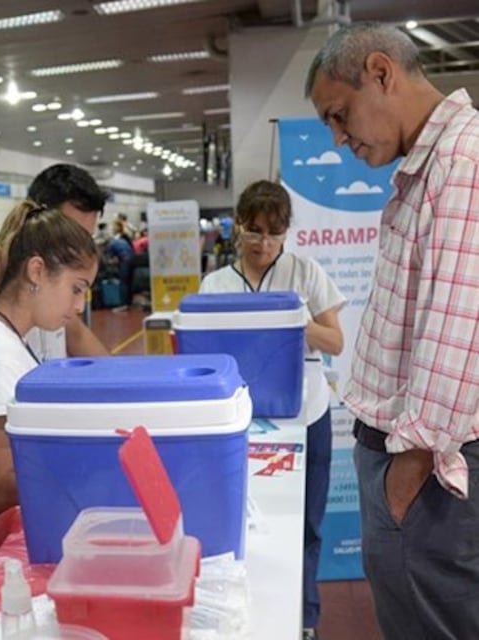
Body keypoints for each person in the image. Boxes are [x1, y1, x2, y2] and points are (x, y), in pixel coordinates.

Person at [306, 22, 479, 640]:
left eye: (339, 113)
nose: (336, 137)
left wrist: (403, 486)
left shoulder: (462, 162)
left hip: (425, 472)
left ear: (381, 73)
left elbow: (458, 336)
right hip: (408, 464)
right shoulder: (427, 167)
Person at [200, 180, 345, 640]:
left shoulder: (305, 274)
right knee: (247, 522)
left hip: (308, 413)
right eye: (255, 231)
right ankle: (250, 615)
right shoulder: (216, 283)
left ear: (286, 234)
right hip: (242, 420)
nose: (264, 244)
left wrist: (296, 321)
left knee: (306, 524)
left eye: (274, 234)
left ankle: (305, 619)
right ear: (238, 227)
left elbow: (336, 341)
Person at [0, 164, 109, 503]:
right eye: (76, 288)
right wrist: (92, 461)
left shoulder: (26, 323)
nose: (79, 306)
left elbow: (80, 341)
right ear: (37, 267)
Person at [104, 218, 136, 310]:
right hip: (131, 259)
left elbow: (108, 253)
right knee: (128, 282)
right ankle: (128, 303)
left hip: (125, 261)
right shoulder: (124, 237)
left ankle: (123, 305)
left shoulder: (113, 240)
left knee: (123, 283)